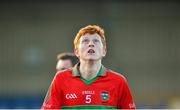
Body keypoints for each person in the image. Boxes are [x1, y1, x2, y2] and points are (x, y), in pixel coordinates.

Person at [42, 25, 136, 109]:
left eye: (96, 41)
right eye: (85, 41)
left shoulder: (119, 81)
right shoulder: (60, 79)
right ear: (76, 52)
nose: (91, 44)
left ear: (104, 51)